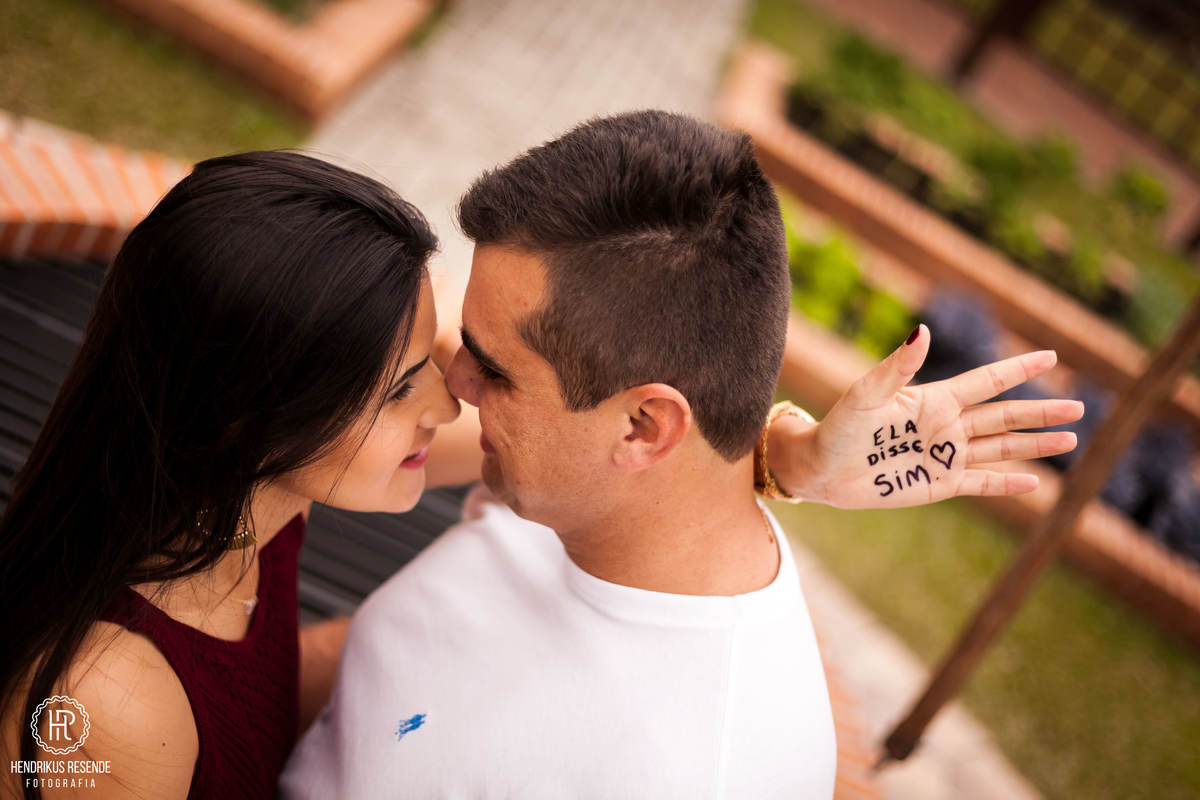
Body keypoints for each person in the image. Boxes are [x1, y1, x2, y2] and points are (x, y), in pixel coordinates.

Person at [278, 111, 1082, 798]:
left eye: (494, 368)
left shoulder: (698, 768)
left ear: (643, 429)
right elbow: (395, 675)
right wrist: (780, 458)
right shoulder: (574, 496)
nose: (454, 384)